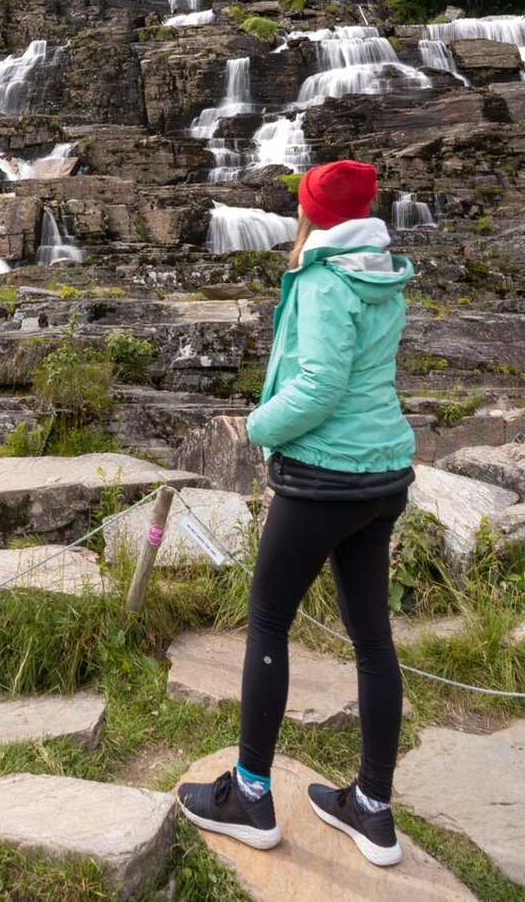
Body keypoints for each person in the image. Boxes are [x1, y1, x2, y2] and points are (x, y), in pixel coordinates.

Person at [178, 159, 416, 868]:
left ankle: (251, 795)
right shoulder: (384, 271)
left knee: (269, 619)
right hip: (382, 473)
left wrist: (254, 428)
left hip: (323, 478)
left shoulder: (320, 277)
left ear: (314, 216)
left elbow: (318, 384)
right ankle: (372, 808)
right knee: (373, 638)